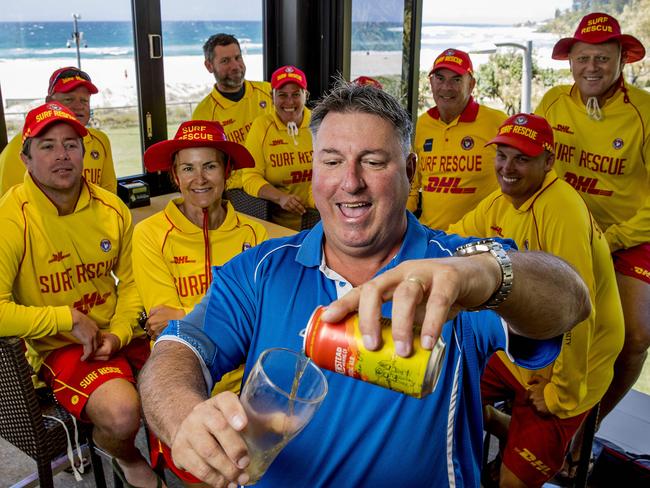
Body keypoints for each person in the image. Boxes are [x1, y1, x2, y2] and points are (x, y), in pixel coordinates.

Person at [138, 81, 591, 487]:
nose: (350, 183)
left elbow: (571, 299)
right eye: (332, 161)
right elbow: (178, 351)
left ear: (411, 169)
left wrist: (488, 275)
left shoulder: (454, 266)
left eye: (373, 162)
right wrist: (183, 418)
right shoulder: (260, 269)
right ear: (314, 168)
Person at [448, 113, 624, 487]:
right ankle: (505, 425)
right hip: (525, 346)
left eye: (522, 159)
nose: (507, 168)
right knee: (449, 388)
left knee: (512, 483)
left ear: (548, 161)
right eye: (502, 156)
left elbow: (581, 312)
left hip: (578, 361)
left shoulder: (561, 210)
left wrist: (560, 395)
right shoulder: (501, 201)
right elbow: (452, 240)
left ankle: (526, 441)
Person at [0, 102, 159, 488]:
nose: (62, 156)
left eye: (71, 144)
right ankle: (125, 453)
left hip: (115, 332)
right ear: (26, 157)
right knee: (123, 414)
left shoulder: (111, 208)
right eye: (48, 146)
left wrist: (120, 331)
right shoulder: (10, 218)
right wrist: (66, 319)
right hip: (55, 344)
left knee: (192, 373)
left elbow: (133, 281)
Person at [133, 120, 268, 484]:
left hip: (251, 386)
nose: (200, 178)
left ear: (227, 172)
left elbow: (264, 316)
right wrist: (241, 318)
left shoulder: (254, 233)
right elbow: (165, 323)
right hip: (183, 384)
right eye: (187, 168)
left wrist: (237, 318)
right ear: (175, 176)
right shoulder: (149, 234)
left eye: (209, 165)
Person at [535, 12, 650, 426]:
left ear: (622, 59)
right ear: (571, 62)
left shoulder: (644, 112)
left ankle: (591, 425)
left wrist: (615, 237)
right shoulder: (552, 101)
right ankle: (541, 415)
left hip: (629, 235)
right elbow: (533, 164)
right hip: (566, 229)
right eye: (584, 58)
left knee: (635, 338)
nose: (592, 68)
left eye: (603, 58)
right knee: (547, 324)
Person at [407, 48, 507, 230]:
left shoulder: (497, 122)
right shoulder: (423, 124)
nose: (446, 87)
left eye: (456, 79)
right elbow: (413, 184)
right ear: (431, 82)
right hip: (431, 238)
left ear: (471, 84)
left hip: (478, 241)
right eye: (440, 78)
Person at [0, 66, 117, 196]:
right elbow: (8, 202)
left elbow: (109, 193)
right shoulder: (21, 144)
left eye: (84, 100)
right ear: (49, 102)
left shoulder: (100, 141)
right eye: (69, 99)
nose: (78, 106)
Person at [192, 33, 273, 190]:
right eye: (225, 61)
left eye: (238, 57)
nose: (235, 66)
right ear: (209, 66)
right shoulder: (204, 114)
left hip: (279, 179)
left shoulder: (269, 92)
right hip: (239, 189)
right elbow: (203, 165)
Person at [242, 65, 315, 230]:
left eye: (296, 94)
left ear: (306, 95)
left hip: (320, 220)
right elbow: (250, 178)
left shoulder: (320, 123)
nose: (289, 102)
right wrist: (281, 198)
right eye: (282, 95)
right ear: (272, 97)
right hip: (277, 224)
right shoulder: (261, 127)